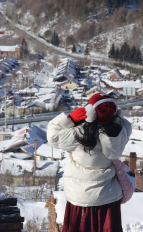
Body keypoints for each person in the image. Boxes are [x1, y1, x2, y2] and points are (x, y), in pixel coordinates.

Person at [47, 93, 132, 232]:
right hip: (109, 198)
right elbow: (126, 125)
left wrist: (70, 119)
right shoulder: (119, 134)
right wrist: (116, 118)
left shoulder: (77, 134)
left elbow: (52, 136)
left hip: (79, 200)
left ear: (89, 111)